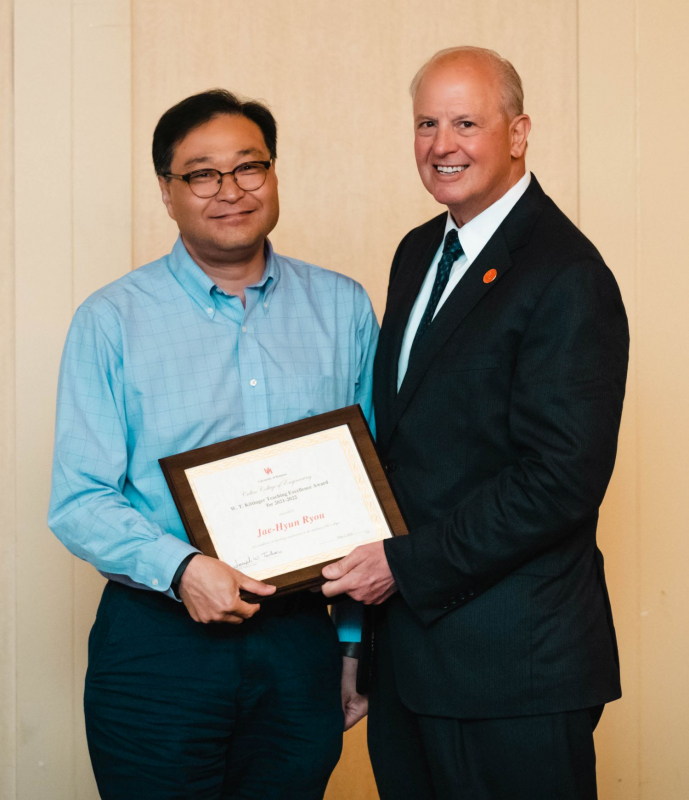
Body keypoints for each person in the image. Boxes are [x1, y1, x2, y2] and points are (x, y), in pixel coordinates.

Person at [48, 89, 375, 800]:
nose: (229, 191)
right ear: (167, 191)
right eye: (201, 174)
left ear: (275, 174)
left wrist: (353, 645)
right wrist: (183, 568)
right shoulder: (110, 321)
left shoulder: (344, 308)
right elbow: (78, 500)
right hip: (158, 641)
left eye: (248, 167)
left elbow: (371, 493)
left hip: (299, 642)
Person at [321, 46, 629, 799]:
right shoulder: (419, 250)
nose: (441, 145)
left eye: (466, 122)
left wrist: (400, 566)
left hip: (512, 670)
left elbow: (560, 480)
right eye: (426, 123)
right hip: (411, 663)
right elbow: (402, 450)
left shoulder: (565, 274)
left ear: (518, 133)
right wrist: (358, 639)